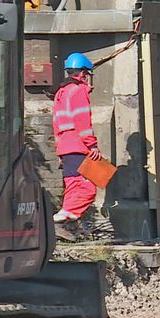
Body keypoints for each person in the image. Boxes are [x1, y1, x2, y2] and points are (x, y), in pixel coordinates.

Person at [52, 52, 102, 224]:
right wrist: (92, 145)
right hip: (79, 145)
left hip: (66, 147)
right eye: (87, 74)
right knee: (88, 188)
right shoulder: (78, 91)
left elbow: (57, 124)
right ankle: (67, 215)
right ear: (82, 73)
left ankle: (67, 216)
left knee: (73, 185)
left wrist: (59, 151)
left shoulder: (61, 92)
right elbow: (82, 122)